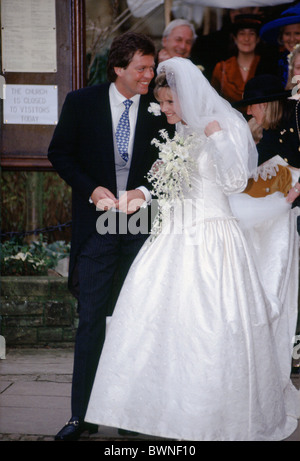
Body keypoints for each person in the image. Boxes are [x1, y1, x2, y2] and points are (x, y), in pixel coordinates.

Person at [85, 57, 300, 441]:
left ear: (188, 97)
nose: (164, 110)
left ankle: (211, 417)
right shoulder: (181, 132)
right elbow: (167, 180)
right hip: (172, 238)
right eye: (163, 103)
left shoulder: (227, 125)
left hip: (213, 242)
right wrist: (135, 195)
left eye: (170, 103)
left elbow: (235, 181)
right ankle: (158, 414)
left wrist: (217, 136)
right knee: (153, 325)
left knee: (211, 330)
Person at [47, 32, 174, 441]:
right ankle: (80, 417)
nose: (149, 75)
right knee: (91, 322)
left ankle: (130, 414)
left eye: (151, 67)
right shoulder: (81, 103)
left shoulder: (160, 109)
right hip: (98, 223)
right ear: (118, 68)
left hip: (141, 228)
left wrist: (144, 194)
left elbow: (172, 162)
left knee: (134, 323)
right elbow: (60, 153)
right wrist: (91, 189)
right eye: (141, 68)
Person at [211, 14, 271, 108]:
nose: (246, 39)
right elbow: (212, 102)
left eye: (251, 34)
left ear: (258, 39)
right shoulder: (221, 69)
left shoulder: (268, 66)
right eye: (242, 33)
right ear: (235, 38)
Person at [260, 3, 300, 87]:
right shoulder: (272, 64)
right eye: (287, 34)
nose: (292, 39)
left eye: (297, 33)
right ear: (281, 37)